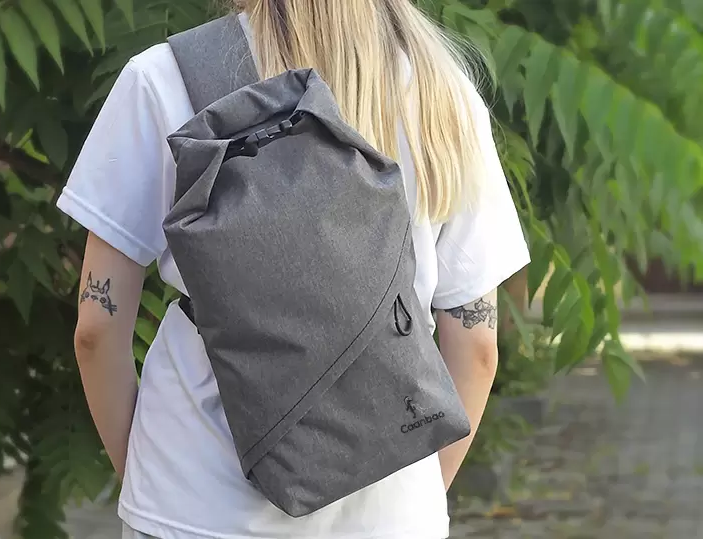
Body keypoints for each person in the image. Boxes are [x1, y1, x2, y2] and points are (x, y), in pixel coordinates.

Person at [56, 1, 530, 538]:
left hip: (194, 502)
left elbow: (96, 330)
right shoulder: (441, 93)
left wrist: (149, 484)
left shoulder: (164, 78)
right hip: (393, 512)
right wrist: (414, 502)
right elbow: (476, 347)